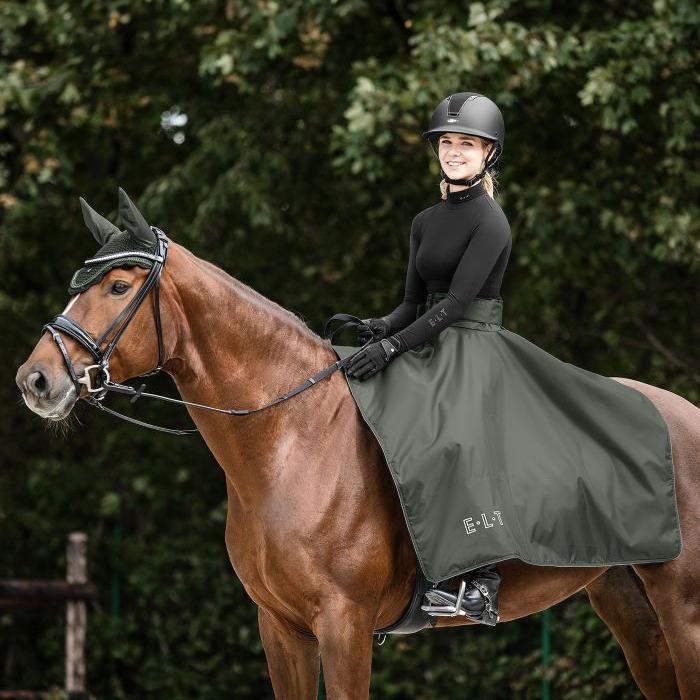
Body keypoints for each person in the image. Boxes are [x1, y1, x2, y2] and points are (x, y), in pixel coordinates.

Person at [344, 92, 509, 625]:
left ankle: (478, 581)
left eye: (466, 144)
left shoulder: (492, 222)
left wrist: (394, 345)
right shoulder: (423, 221)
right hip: (425, 333)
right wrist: (379, 328)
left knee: (450, 435)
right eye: (447, 142)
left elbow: (458, 304)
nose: (454, 152)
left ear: (487, 154)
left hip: (471, 343)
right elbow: (413, 303)